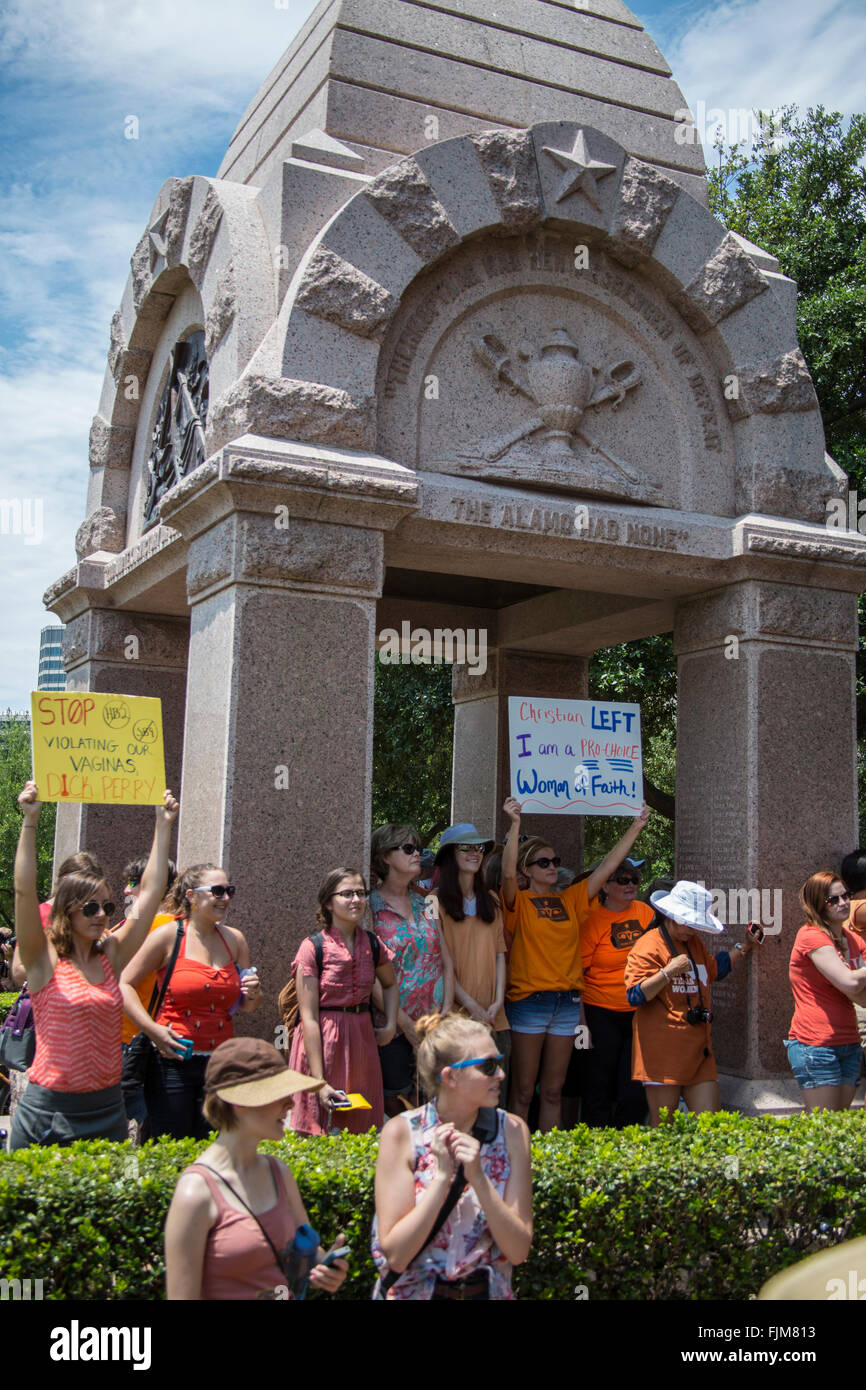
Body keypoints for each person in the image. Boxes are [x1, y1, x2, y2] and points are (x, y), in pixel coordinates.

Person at [10, 781, 177, 1149]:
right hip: (50, 1111)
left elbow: (149, 894)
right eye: (90, 908)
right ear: (67, 910)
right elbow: (24, 891)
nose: (102, 915)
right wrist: (30, 822)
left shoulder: (112, 955)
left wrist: (163, 825)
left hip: (107, 1108)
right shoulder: (42, 961)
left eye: (107, 907)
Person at [500, 795, 650, 1130]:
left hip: (566, 1002)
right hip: (529, 1001)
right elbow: (507, 876)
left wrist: (636, 827)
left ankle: (552, 1161)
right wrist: (514, 825)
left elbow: (608, 867)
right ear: (528, 870)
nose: (552, 865)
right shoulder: (518, 902)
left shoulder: (571, 899)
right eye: (543, 862)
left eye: (555, 860)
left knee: (553, 1091)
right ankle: (513, 1156)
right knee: (524, 1091)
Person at [164, 1037, 349, 1300]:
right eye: (278, 1094)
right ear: (240, 1102)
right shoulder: (195, 1192)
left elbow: (304, 1257)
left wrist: (324, 1267)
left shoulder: (280, 1173)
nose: (290, 1104)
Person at [372, 1012, 532, 1300]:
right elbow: (396, 1254)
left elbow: (519, 1251)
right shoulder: (402, 1134)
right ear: (451, 1076)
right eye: (488, 1066)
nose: (501, 1075)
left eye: (499, 1063)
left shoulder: (512, 1131)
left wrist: (479, 1180)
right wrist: (442, 1179)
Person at [120, 863, 262, 1140]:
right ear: (191, 896)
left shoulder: (235, 940)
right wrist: (152, 1030)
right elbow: (124, 984)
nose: (226, 898)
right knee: (169, 1148)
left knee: (213, 1150)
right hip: (171, 1062)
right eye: (217, 891)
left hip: (220, 1065)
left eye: (229, 891)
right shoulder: (168, 935)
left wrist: (254, 994)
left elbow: (247, 1005)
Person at [624, 880, 762, 1125]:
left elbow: (714, 970)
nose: (691, 929)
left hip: (699, 1051)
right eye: (687, 921)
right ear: (671, 915)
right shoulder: (648, 944)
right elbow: (635, 995)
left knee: (712, 1127)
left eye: (696, 924)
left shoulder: (693, 943)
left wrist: (745, 946)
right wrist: (667, 972)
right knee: (664, 1129)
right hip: (661, 1053)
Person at [289, 868, 398, 1135]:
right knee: (319, 1125)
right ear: (328, 902)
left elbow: (391, 984)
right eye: (347, 894)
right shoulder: (312, 946)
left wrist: (392, 1024)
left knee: (361, 1124)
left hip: (362, 1039)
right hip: (322, 1040)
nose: (356, 900)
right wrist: (318, 1081)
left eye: (361, 893)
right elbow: (309, 1017)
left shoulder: (373, 944)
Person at [369, 825, 453, 1114]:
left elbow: (446, 961)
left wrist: (445, 1014)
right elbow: (370, 976)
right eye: (408, 848)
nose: (418, 853)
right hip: (393, 1027)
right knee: (399, 1107)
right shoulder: (370, 907)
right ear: (385, 858)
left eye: (417, 847)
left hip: (433, 1023)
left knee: (436, 1103)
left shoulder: (426, 902)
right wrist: (405, 1026)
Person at [427, 824, 510, 1104]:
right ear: (450, 855)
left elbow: (500, 954)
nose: (475, 853)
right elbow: (438, 960)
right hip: (456, 1017)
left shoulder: (492, 900)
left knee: (494, 1099)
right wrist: (471, 1005)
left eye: (479, 848)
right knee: (458, 1100)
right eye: (467, 847)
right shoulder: (432, 903)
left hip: (494, 1017)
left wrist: (497, 1002)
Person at [579, 856, 654, 1127]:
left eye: (634, 879)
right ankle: (596, 1144)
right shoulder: (592, 919)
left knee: (634, 1087)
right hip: (599, 1012)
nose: (630, 884)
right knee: (598, 1083)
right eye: (623, 880)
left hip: (639, 1012)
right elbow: (578, 974)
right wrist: (581, 1023)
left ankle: (627, 1145)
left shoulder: (646, 913)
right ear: (605, 886)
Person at [784, 871, 866, 1111]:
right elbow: (851, 985)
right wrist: (852, 981)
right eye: (833, 900)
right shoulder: (811, 936)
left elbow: (858, 993)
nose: (843, 903)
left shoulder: (854, 940)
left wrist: (851, 981)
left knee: (837, 1128)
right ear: (818, 904)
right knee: (822, 1129)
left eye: (846, 896)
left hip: (850, 1043)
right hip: (815, 1044)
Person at [112, 853, 178, 1127]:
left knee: (128, 1125)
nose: (126, 889)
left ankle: (130, 1171)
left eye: (133, 882)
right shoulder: (179, 926)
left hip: (130, 1040)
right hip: (142, 1039)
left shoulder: (158, 926)